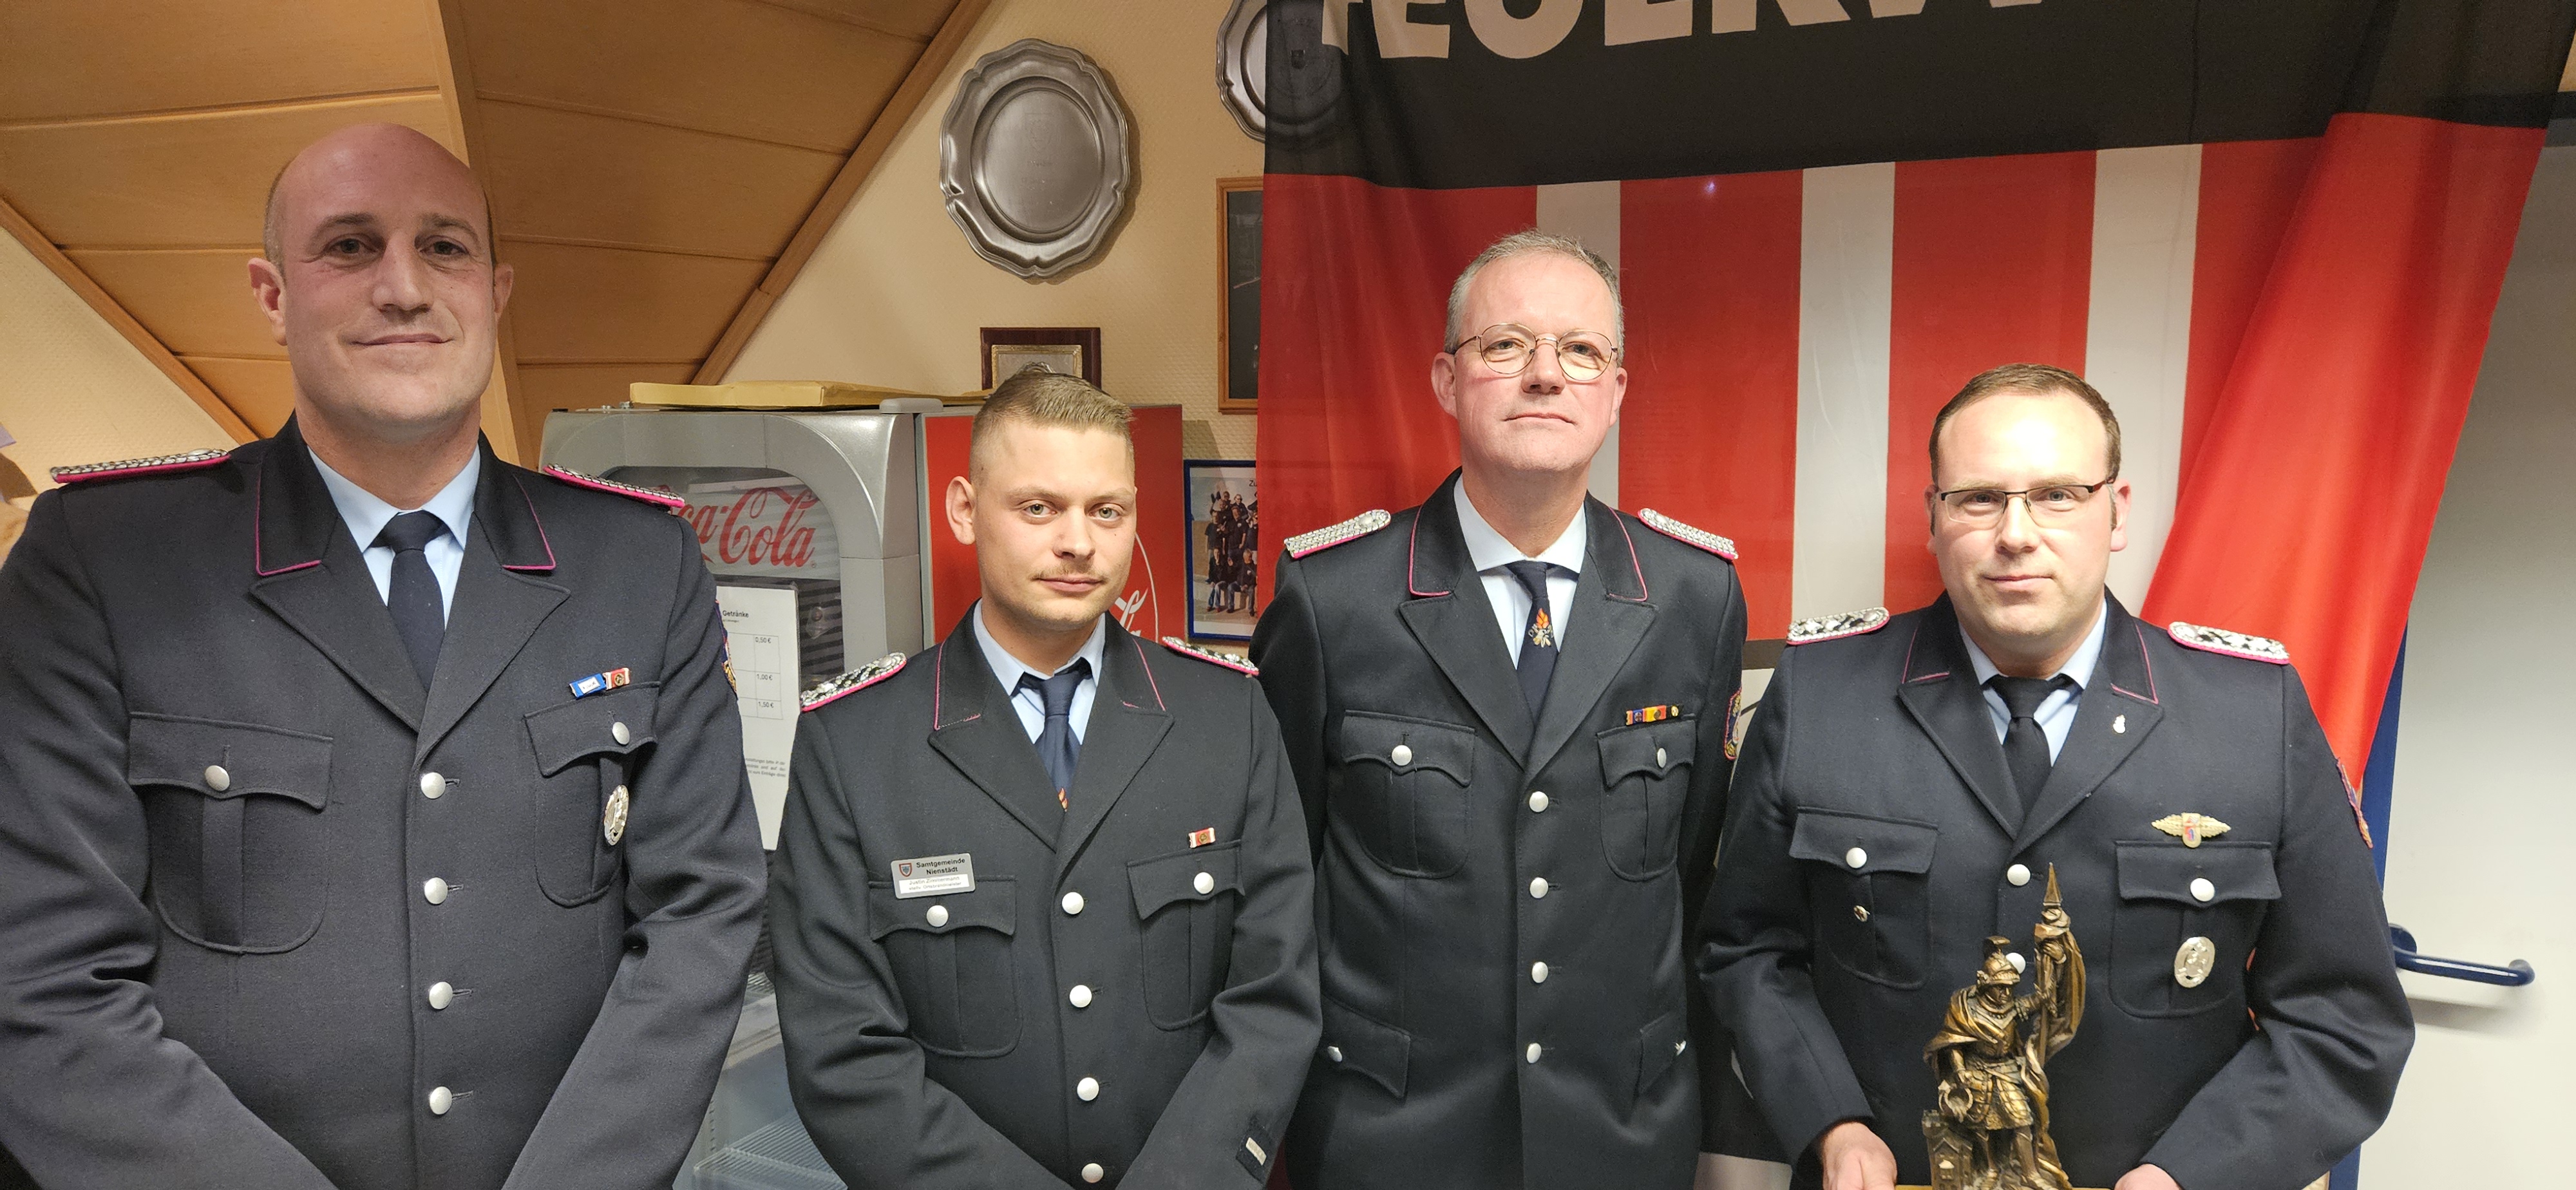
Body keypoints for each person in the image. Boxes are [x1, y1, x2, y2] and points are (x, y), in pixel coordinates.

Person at [0, 123, 766, 1190]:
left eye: (444, 248)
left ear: (496, 292)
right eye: (350, 246)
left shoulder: (638, 561)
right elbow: (40, 979)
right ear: (273, 295)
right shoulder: (106, 560)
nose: (404, 288)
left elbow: (701, 914)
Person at [1699, 363, 2412, 1190]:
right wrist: (1830, 1122)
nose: (2016, 533)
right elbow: (1746, 951)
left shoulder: (2252, 717)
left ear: (2117, 511)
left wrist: (2192, 1175)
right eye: (1978, 498)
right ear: (1932, 516)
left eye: (2058, 496)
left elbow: (2342, 1017)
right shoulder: (1821, 697)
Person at [1252, 229, 1753, 1189]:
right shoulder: (1334, 600)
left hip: (1618, 1136)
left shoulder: (1696, 595)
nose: (1545, 375)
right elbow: (1281, 879)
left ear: (1616, 390)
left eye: (1581, 351)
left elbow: (1691, 873)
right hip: (1389, 1139)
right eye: (1505, 345)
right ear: (1447, 380)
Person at [770, 369, 1320, 1189]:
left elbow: (1273, 1003)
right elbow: (842, 1052)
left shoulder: (1228, 719)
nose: (1078, 542)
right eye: (1038, 508)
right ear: (964, 509)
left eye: (1107, 511)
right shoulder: (853, 747)